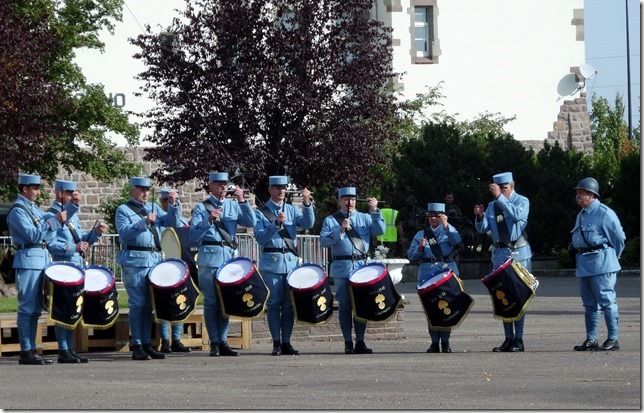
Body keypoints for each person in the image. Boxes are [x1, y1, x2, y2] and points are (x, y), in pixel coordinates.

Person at [190, 171, 256, 357]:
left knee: (225, 302)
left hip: (227, 260)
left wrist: (243, 201)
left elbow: (251, 222)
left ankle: (224, 340)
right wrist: (208, 220)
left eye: (224, 184)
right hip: (209, 260)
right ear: (209, 186)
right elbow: (193, 237)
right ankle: (214, 342)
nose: (222, 188)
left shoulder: (233, 206)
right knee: (211, 302)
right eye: (218, 184)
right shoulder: (202, 208)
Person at [115, 176, 181, 361]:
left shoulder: (153, 208)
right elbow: (125, 234)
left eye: (147, 190)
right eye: (141, 189)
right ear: (132, 190)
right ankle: (136, 343)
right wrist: (143, 222)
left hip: (152, 261)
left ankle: (146, 343)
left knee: (149, 306)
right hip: (135, 260)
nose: (144, 193)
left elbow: (171, 221)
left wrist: (174, 204)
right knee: (137, 304)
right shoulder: (124, 209)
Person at [48, 180, 107, 363]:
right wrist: (73, 247)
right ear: (59, 194)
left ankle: (70, 348)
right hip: (63, 267)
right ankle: (63, 349)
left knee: (73, 308)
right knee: (63, 309)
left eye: (75, 192)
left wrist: (95, 233)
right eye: (70, 192)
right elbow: (51, 243)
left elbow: (80, 238)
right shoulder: (52, 215)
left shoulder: (72, 216)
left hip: (76, 266)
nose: (74, 195)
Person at [254, 176, 314, 356]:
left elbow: (308, 224)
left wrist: (307, 203)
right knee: (273, 304)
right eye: (277, 188)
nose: (281, 191)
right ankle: (276, 342)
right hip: (272, 263)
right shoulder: (261, 212)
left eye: (283, 188)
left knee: (289, 305)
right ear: (270, 190)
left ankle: (287, 341)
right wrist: (276, 224)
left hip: (289, 262)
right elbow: (260, 238)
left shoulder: (292, 210)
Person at [320, 187, 385, 354]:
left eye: (353, 199)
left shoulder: (365, 217)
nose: (350, 202)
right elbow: (324, 241)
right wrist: (340, 230)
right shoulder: (331, 220)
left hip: (361, 267)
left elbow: (380, 231)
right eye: (346, 199)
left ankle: (360, 341)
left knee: (361, 306)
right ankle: (348, 341)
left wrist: (375, 211)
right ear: (340, 200)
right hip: (342, 268)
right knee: (345, 306)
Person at [474, 171, 532, 352]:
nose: (501, 191)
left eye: (504, 188)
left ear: (511, 187)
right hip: (499, 254)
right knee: (503, 297)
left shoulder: (522, 201)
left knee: (518, 296)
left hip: (518, 254)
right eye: (499, 188)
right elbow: (483, 229)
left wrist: (500, 197)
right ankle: (508, 338)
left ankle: (519, 339)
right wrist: (480, 216)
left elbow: (516, 216)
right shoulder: (493, 206)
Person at [7, 174, 61, 365]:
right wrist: (53, 222)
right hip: (28, 260)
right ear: (24, 189)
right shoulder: (17, 211)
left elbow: (46, 235)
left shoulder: (34, 209)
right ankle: (26, 350)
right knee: (27, 307)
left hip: (40, 261)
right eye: (35, 188)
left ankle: (31, 349)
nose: (38, 192)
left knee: (36, 309)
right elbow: (32, 235)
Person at [570, 177, 626, 352]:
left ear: (591, 195)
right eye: (577, 193)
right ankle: (591, 339)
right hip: (585, 263)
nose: (577, 196)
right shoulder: (582, 214)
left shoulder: (604, 213)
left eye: (581, 193)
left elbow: (619, 238)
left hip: (602, 263)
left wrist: (613, 257)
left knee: (607, 301)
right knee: (589, 304)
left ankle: (613, 339)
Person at [407, 202, 462, 353]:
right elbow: (411, 255)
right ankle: (434, 342)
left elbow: (457, 241)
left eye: (437, 216)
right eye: (430, 215)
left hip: (446, 272)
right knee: (431, 308)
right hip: (427, 273)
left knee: (447, 307)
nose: (433, 219)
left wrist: (446, 225)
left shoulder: (449, 231)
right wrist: (420, 248)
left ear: (443, 216)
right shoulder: (421, 235)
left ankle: (445, 342)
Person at [156, 188, 192, 354]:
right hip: (163, 265)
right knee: (163, 303)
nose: (170, 204)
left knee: (181, 300)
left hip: (180, 265)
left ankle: (177, 339)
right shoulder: (159, 220)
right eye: (167, 201)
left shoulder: (183, 221)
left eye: (174, 201)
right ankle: (165, 340)